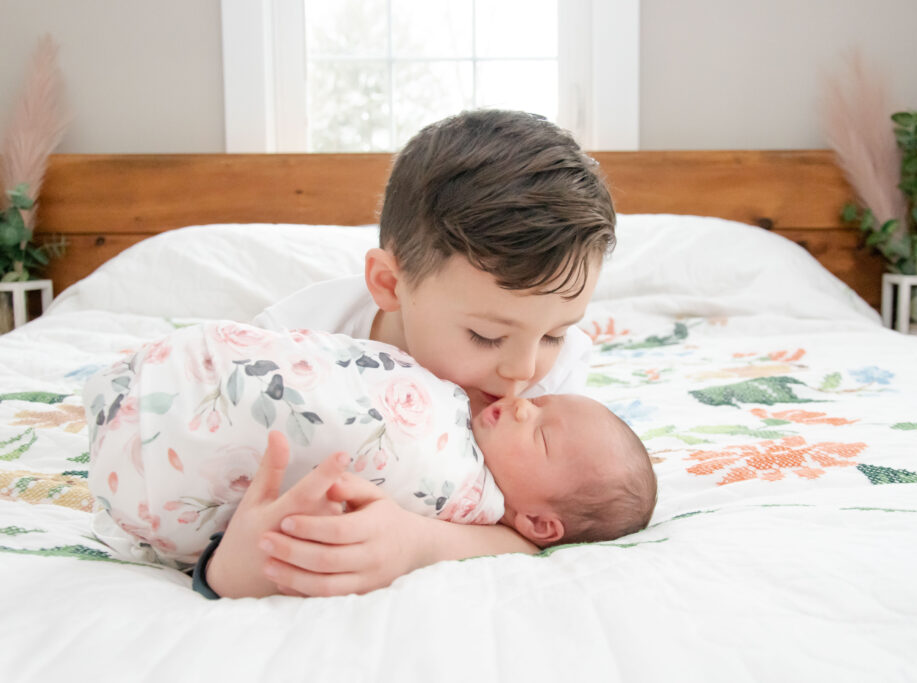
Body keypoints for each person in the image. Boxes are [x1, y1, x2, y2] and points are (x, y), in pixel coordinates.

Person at [210, 109, 620, 598]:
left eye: (554, 334)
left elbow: (547, 527)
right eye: (487, 335)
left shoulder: (553, 391)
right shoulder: (291, 345)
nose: (523, 372)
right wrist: (226, 567)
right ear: (389, 284)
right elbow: (208, 479)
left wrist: (418, 544)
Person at [84, 322, 656, 571]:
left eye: (542, 432)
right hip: (179, 379)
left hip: (161, 475)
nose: (526, 394)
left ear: (541, 521)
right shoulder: (335, 313)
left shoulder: (472, 499)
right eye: (485, 333)